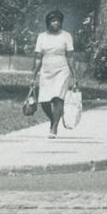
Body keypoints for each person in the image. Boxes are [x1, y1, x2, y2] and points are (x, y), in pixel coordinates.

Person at [32, 9, 81, 138]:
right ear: (48, 23)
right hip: (46, 70)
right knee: (44, 101)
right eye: (53, 21)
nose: (56, 23)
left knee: (57, 98)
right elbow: (38, 57)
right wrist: (34, 75)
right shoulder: (42, 36)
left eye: (58, 21)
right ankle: (55, 119)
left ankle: (53, 128)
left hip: (62, 70)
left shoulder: (66, 36)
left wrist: (74, 74)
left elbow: (70, 56)